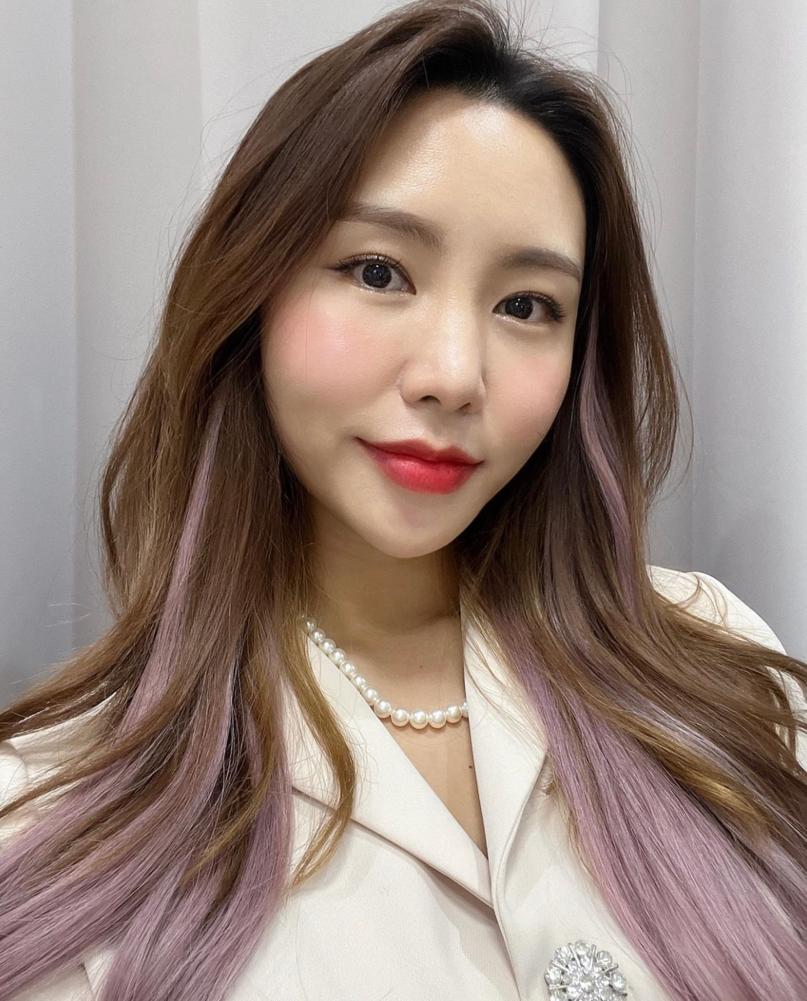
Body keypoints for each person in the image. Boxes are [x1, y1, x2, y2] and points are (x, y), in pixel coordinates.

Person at [1, 1, 805, 998]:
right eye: (379, 272)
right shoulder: (54, 815)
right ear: (250, 296)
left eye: (526, 305)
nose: (455, 375)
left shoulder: (721, 671)